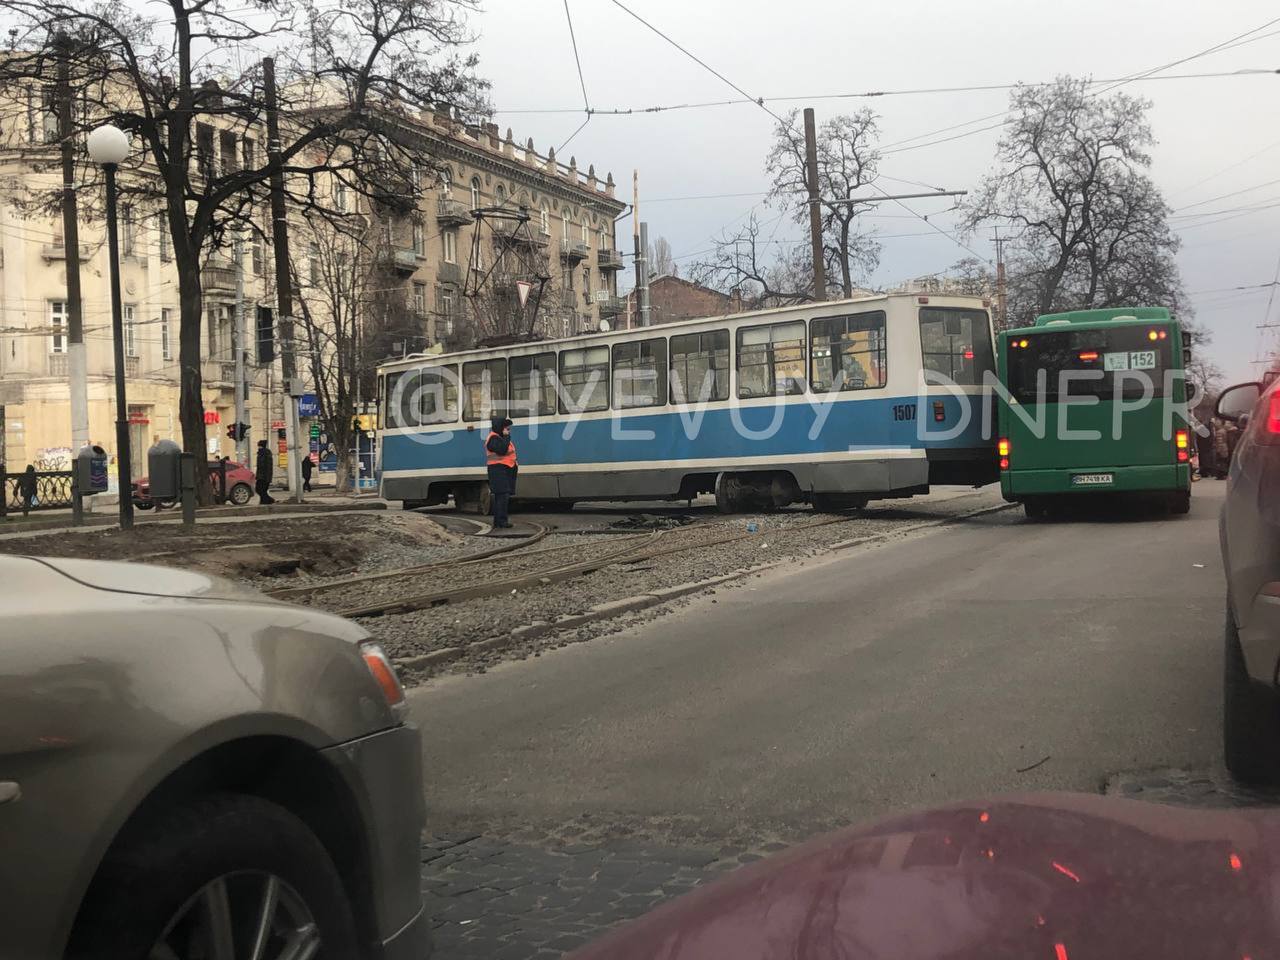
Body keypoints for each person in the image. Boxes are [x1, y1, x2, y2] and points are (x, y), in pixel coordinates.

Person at [485, 415, 517, 529]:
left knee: (502, 497)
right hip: (497, 471)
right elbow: (502, 450)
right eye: (506, 428)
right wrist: (506, 437)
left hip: (502, 471)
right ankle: (501, 522)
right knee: (502, 497)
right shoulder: (493, 439)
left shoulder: (498, 437)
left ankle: (499, 522)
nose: (508, 430)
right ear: (500, 427)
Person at [254, 439, 275, 505]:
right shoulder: (261, 453)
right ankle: (266, 501)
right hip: (261, 475)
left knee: (261, 490)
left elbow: (267, 466)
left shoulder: (266, 453)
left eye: (259, 446)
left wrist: (267, 477)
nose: (258, 447)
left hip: (264, 476)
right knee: (259, 490)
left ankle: (268, 500)